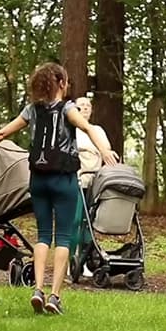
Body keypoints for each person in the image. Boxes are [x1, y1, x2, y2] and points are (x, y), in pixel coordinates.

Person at [0, 63, 118, 315]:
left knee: (43, 236)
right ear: (61, 83)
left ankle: (38, 290)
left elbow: (2, 133)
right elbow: (87, 127)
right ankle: (54, 296)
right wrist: (104, 150)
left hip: (38, 180)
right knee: (63, 238)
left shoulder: (31, 110)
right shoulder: (68, 109)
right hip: (64, 180)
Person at [71, 96, 114, 278]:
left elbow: (106, 149)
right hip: (77, 180)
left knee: (89, 223)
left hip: (95, 182)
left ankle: (85, 261)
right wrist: (90, 149)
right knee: (75, 221)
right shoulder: (72, 129)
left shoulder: (97, 130)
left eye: (88, 105)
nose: (86, 108)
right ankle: (70, 261)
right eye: (82, 105)